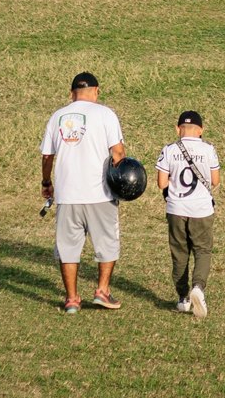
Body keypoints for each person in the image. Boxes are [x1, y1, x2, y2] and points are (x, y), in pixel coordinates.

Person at [40, 71, 128, 313]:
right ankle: (102, 291)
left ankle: (71, 299)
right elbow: (118, 153)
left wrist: (46, 182)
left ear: (71, 94)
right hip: (100, 193)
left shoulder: (57, 116)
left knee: (68, 248)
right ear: (97, 91)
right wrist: (122, 180)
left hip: (68, 195)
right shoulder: (105, 114)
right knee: (107, 243)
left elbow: (47, 155)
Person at [156, 109, 222, 317]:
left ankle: (183, 297)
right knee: (202, 250)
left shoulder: (168, 150)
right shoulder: (208, 149)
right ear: (201, 130)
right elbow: (215, 180)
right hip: (201, 209)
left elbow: (161, 183)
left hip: (176, 208)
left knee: (179, 254)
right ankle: (198, 287)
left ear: (178, 129)